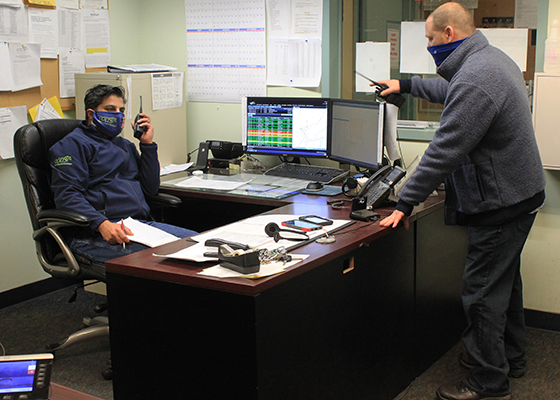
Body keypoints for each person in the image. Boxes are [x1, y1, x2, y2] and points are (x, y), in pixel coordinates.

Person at [377, 3, 545, 400]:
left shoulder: (477, 77)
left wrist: (404, 203)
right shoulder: (489, 59)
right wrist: (406, 85)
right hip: (520, 194)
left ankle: (489, 380)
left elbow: (445, 149)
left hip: (501, 203)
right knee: (504, 283)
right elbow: (451, 89)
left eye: (431, 39)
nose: (430, 45)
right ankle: (511, 357)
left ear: (449, 34)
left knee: (482, 293)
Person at [49, 84, 197, 264]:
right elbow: (67, 196)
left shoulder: (125, 146)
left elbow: (150, 189)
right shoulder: (72, 146)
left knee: (199, 245)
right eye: (110, 109)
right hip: (95, 233)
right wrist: (101, 224)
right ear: (91, 113)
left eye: (121, 110)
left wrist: (147, 145)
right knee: (169, 261)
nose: (118, 115)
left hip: (137, 227)